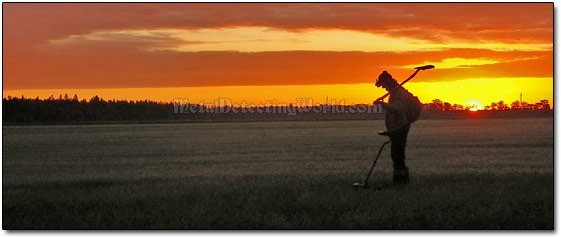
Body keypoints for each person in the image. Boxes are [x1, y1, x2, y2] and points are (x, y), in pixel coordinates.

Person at [374, 70, 411, 185]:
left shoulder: (399, 92)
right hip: (395, 128)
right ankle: (401, 180)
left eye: (384, 85)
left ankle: (401, 182)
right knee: (396, 155)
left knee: (398, 155)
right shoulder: (393, 93)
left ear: (389, 82)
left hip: (400, 127)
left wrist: (382, 104)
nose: (384, 88)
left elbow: (398, 109)